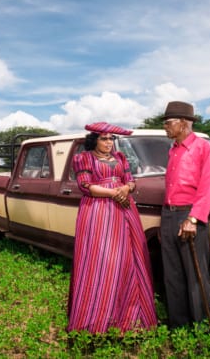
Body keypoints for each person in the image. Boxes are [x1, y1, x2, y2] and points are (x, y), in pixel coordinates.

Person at [67, 122, 157, 334]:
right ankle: (98, 317)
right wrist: (115, 193)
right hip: (98, 211)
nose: (109, 142)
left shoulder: (121, 158)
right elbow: (85, 186)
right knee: (103, 258)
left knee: (129, 257)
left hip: (125, 211)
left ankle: (131, 314)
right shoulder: (84, 158)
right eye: (104, 138)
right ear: (94, 140)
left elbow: (131, 181)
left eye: (111, 139)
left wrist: (125, 188)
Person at [160, 101, 210, 328]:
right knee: (172, 273)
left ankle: (202, 325)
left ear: (184, 124)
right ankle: (179, 325)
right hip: (169, 215)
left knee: (195, 274)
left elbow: (208, 186)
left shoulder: (205, 148)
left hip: (190, 216)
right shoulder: (173, 149)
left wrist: (193, 218)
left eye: (168, 123)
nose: (165, 127)